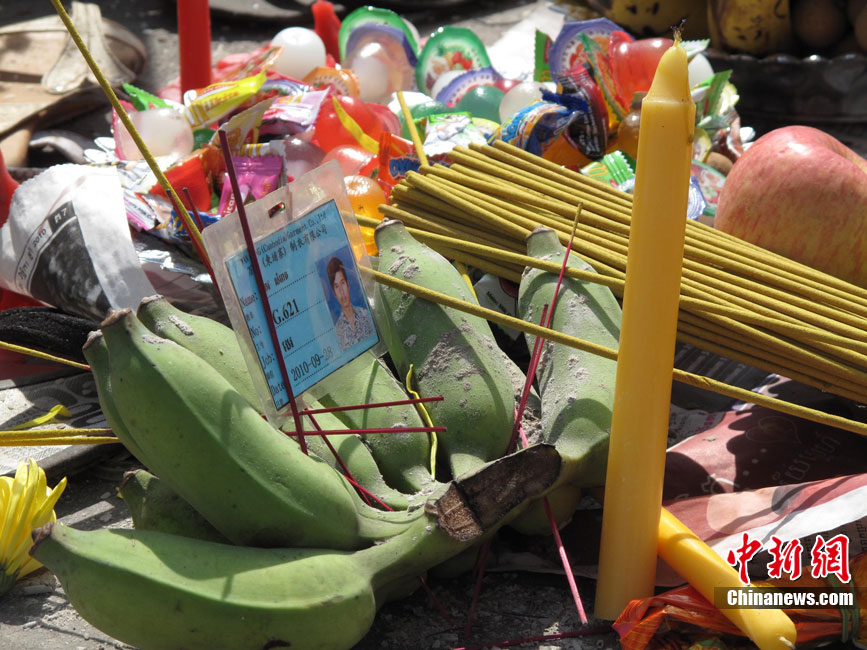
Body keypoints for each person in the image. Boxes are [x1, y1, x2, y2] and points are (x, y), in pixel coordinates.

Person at [326, 256, 374, 349]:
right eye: (336, 286)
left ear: (348, 285)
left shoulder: (367, 315)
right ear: (334, 293)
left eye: (342, 283)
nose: (341, 291)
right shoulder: (337, 333)